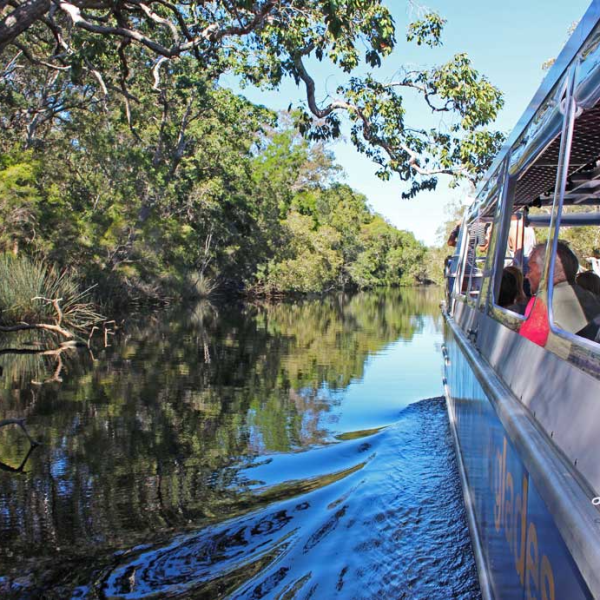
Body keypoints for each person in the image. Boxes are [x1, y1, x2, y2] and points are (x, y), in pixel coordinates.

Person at [520, 241, 600, 346]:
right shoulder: (591, 297)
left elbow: (525, 349)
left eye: (530, 269)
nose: (527, 275)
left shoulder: (541, 304)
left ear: (547, 271)